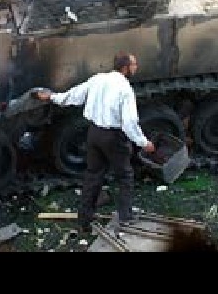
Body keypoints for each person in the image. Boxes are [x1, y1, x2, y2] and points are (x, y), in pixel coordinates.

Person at [34, 51, 154, 232]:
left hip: (94, 134)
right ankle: (125, 217)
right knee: (125, 176)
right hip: (114, 137)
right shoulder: (125, 89)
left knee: (93, 175)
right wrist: (144, 143)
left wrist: (51, 97)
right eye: (134, 65)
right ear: (125, 68)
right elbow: (129, 123)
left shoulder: (98, 79)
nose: (136, 67)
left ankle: (84, 219)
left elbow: (72, 96)